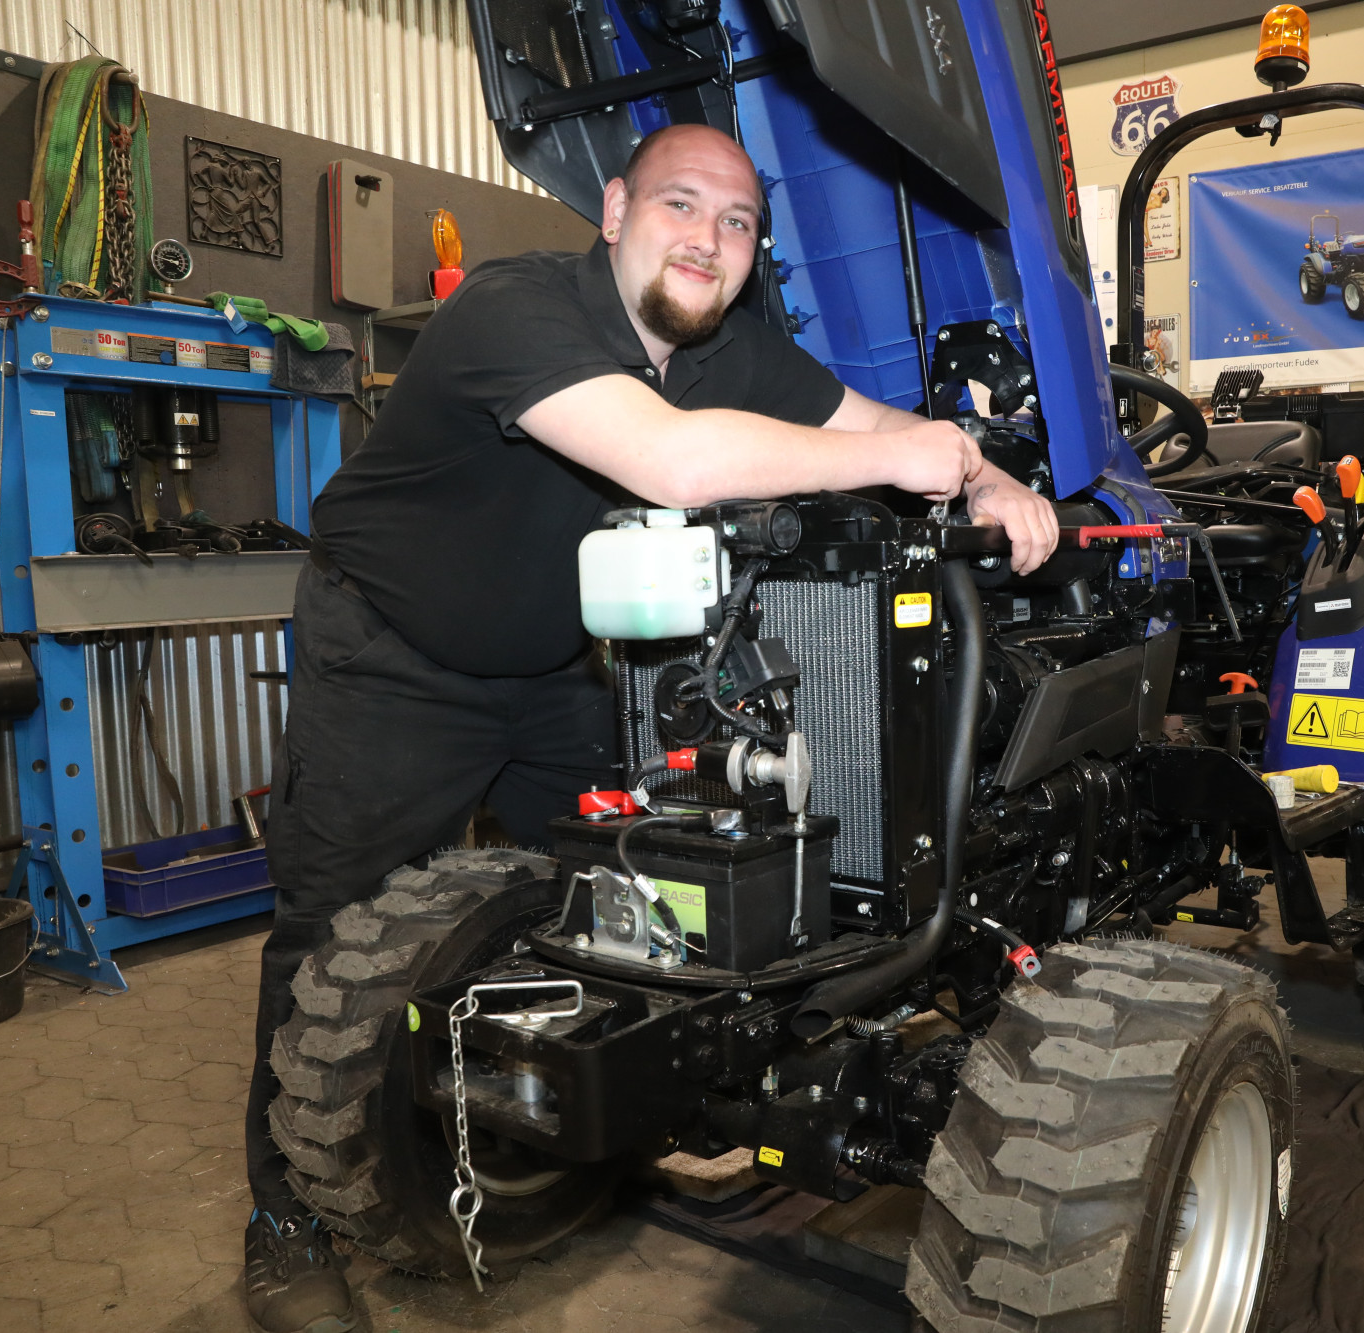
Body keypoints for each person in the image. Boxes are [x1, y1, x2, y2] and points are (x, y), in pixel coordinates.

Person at [240, 123, 1061, 1332]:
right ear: (615, 209)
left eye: (736, 223)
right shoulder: (512, 307)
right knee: (329, 936)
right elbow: (673, 463)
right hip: (392, 654)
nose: (708, 239)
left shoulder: (728, 347)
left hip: (563, 668)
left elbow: (864, 422)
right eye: (681, 205)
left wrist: (982, 474)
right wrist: (916, 455)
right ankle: (285, 1219)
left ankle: (592, 1127)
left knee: (642, 891)